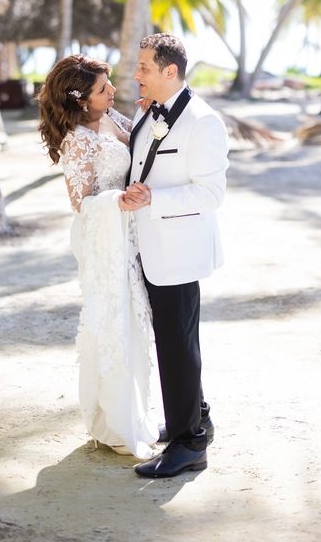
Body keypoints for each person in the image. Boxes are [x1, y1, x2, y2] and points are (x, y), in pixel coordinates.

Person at [37, 54, 159, 460]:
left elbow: (140, 145)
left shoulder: (112, 117)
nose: (113, 91)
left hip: (128, 233)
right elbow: (81, 202)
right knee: (111, 322)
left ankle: (136, 414)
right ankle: (116, 424)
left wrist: (150, 113)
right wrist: (118, 201)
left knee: (133, 321)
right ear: (80, 98)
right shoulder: (77, 140)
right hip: (103, 238)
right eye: (103, 88)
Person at [119, 33, 229, 478]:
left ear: (170, 71)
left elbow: (211, 193)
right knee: (175, 341)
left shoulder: (203, 122)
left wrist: (153, 199)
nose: (136, 74)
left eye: (144, 67)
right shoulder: (149, 113)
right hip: (150, 246)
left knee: (176, 346)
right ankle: (196, 418)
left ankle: (189, 446)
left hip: (180, 251)